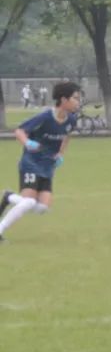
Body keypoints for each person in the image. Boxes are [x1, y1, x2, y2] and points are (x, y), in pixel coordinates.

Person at [0, 82, 81, 242]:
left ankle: (9, 197)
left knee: (42, 208)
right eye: (75, 98)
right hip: (31, 163)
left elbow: (67, 136)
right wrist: (28, 143)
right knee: (29, 202)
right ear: (64, 99)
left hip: (47, 167)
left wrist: (60, 154)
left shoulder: (71, 120)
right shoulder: (45, 117)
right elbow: (20, 131)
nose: (78, 102)